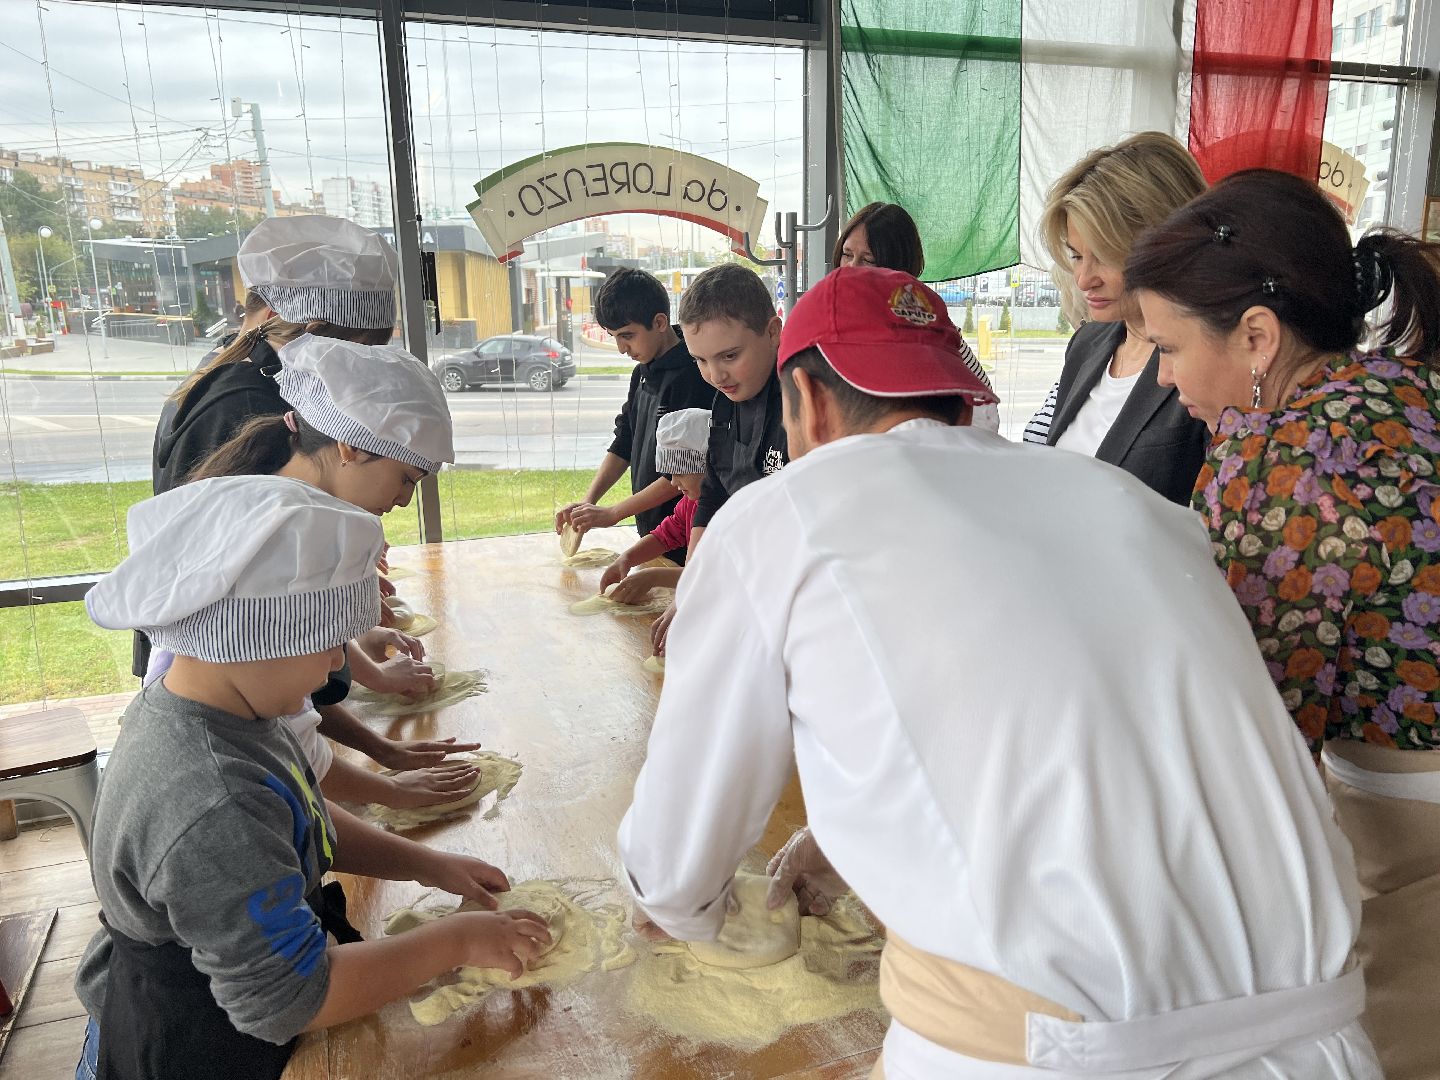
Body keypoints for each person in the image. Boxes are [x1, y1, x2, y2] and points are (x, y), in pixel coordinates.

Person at [618, 265, 1379, 1080]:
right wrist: (851, 834)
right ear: (956, 396)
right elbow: (1066, 724)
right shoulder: (1135, 505)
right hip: (1327, 1037)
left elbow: (672, 869)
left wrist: (686, 910)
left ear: (804, 399)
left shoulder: (782, 514)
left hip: (1066, 1052)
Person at [75, 475, 550, 1080]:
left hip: (238, 985)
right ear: (255, 634)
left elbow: (302, 819)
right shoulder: (211, 799)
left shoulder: (232, 713)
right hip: (196, 1045)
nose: (334, 666)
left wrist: (429, 865)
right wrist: (453, 942)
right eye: (325, 642)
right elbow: (288, 1001)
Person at [1125, 167, 1440, 1080]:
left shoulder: (1280, 455)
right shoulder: (1410, 392)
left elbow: (1250, 732)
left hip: (1417, 852)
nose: (1164, 377)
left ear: (1257, 335)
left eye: (1169, 346)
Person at [175, 334, 476, 812]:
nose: (403, 500)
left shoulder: (287, 507)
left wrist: (382, 747)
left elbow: (294, 699)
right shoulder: (282, 537)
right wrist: (391, 789)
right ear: (350, 448)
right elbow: (291, 741)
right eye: (406, 479)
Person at [139, 215, 400, 685]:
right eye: (349, 352)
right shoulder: (246, 405)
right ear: (308, 327)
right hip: (220, 673)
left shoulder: (237, 376)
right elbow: (254, 607)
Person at [1022, 132, 1210, 505]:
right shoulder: (1088, 341)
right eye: (1076, 256)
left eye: (1106, 256)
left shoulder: (1211, 358)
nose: (1083, 279)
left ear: (1169, 246)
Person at [646, 264, 788, 655]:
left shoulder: (802, 403)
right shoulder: (726, 400)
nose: (715, 375)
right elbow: (714, 494)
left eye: (729, 355)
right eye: (700, 360)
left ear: (773, 333)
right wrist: (689, 588)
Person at [554, 267, 713, 561]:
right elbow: (623, 443)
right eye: (614, 336)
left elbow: (682, 472)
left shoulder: (694, 377)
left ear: (660, 322)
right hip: (652, 535)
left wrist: (614, 512)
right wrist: (587, 504)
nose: (620, 348)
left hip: (685, 534)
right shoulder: (641, 373)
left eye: (627, 335)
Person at [833, 201, 1000, 435]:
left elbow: (985, 416)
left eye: (868, 260)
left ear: (899, 266)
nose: (851, 268)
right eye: (847, 255)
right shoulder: (832, 326)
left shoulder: (932, 331)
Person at [598, 408, 709, 604]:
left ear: (709, 467)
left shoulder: (726, 510)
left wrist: (654, 577)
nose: (673, 482)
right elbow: (664, 535)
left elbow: (712, 574)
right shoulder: (690, 503)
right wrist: (627, 558)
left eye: (680, 473)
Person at [832, 202, 925, 278]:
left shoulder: (921, 299)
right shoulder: (827, 296)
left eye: (868, 260)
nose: (852, 266)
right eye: (847, 255)